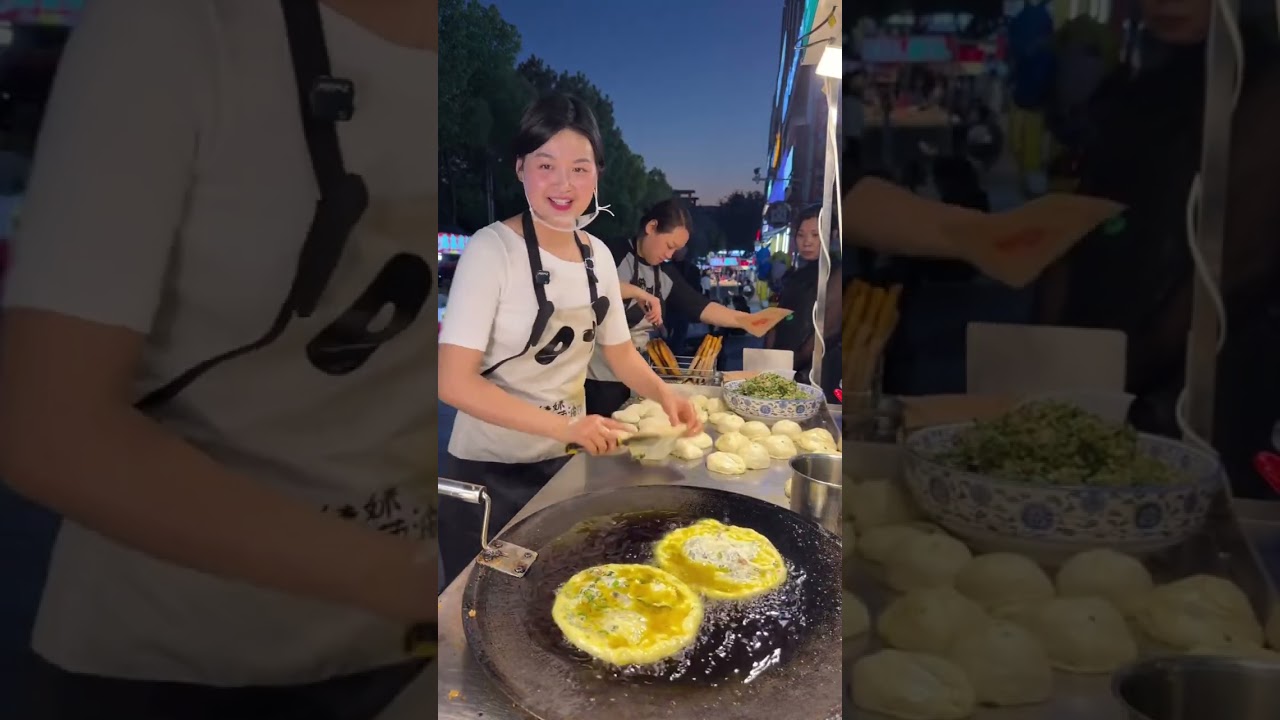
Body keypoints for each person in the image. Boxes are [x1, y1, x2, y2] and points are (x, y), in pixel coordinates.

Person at [0, 2, 436, 718]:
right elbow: (53, 431)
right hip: (181, 662)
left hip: (410, 650)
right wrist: (408, 579)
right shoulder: (174, 28)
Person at [436, 95, 701, 580]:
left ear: (597, 173)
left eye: (580, 168)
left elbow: (619, 352)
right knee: (476, 613)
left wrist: (666, 393)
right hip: (490, 470)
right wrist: (565, 427)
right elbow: (453, 383)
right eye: (545, 165)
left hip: (562, 466)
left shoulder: (598, 254)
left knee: (555, 599)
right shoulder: (491, 250)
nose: (563, 184)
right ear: (520, 168)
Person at [1036, 0, 1280, 499]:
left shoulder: (1261, 85)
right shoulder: (1136, 76)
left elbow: (1233, 258)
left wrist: (1129, 368)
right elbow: (1086, 210)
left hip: (1204, 373)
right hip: (1101, 345)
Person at [583, 199, 751, 416]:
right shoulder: (610, 253)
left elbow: (698, 305)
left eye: (677, 250)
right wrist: (638, 292)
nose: (670, 255)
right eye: (669, 246)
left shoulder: (665, 273)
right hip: (597, 376)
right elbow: (588, 287)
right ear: (651, 227)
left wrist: (744, 320)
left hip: (638, 374)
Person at [766, 207, 840, 390]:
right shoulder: (794, 276)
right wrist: (768, 359)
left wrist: (791, 364)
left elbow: (826, 328)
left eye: (816, 235)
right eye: (801, 235)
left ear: (833, 234)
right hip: (780, 367)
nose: (807, 242)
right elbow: (776, 319)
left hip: (813, 374)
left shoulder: (836, 274)